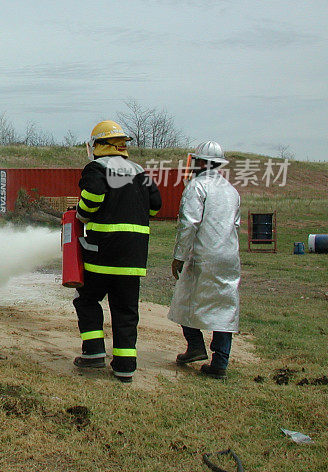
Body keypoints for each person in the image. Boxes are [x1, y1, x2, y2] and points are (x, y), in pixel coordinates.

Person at [73, 120, 162, 383]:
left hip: (102, 255)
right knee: (125, 311)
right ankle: (125, 367)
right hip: (133, 258)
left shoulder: (97, 168)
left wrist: (81, 214)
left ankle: (94, 353)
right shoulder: (139, 172)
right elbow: (155, 206)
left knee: (87, 300)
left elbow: (93, 197)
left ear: (98, 145)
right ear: (122, 146)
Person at [168, 140, 241, 379]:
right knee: (224, 308)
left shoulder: (196, 187)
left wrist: (179, 256)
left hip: (202, 255)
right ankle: (220, 363)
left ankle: (195, 346)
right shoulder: (232, 190)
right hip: (229, 256)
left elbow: (189, 224)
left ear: (200, 162)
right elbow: (236, 225)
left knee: (185, 299)